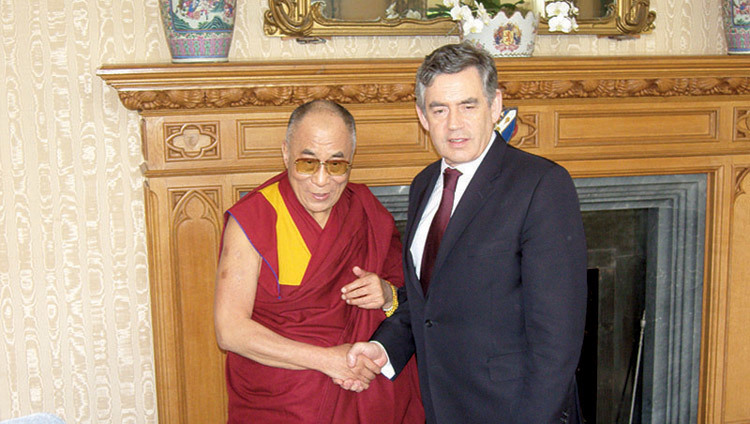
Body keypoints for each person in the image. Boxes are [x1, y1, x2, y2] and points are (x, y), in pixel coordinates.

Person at [344, 42, 588, 423]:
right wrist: (385, 348)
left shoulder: (541, 185)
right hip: (443, 407)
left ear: (495, 106)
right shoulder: (424, 184)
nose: (453, 124)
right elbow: (431, 303)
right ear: (422, 116)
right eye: (439, 109)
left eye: (468, 106)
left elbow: (557, 340)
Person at [214, 100, 423, 423]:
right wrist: (328, 360)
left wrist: (386, 294)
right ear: (286, 153)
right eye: (307, 163)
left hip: (361, 393)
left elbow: (414, 304)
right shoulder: (254, 219)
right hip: (279, 402)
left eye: (337, 165)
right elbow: (230, 330)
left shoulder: (368, 212)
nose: (322, 181)